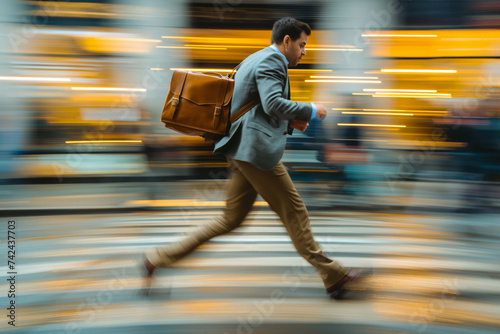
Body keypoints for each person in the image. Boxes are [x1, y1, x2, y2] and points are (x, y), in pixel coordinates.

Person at [143, 17, 369, 299]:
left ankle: (157, 258)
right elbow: (272, 103)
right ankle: (334, 276)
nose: (304, 51)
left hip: (242, 150)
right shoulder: (272, 62)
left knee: (230, 220)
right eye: (302, 45)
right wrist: (311, 110)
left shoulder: (254, 58)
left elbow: (255, 107)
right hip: (255, 153)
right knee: (295, 212)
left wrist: (290, 123)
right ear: (286, 42)